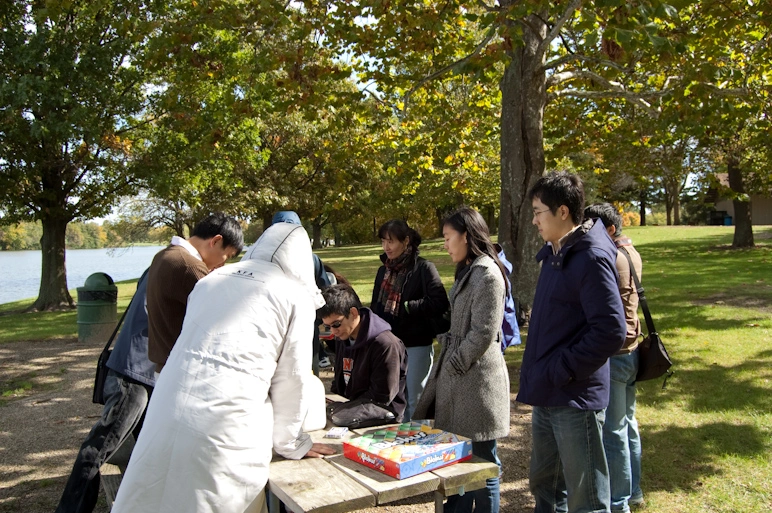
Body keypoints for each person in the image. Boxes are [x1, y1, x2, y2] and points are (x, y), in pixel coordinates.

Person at [111, 222, 336, 513]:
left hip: (167, 404)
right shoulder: (294, 296)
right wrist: (292, 443)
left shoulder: (211, 281)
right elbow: (291, 379)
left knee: (155, 495)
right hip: (227, 419)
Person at [517, 172, 626, 513]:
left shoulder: (590, 257)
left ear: (562, 212)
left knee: (586, 498)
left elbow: (610, 330)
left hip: (574, 396)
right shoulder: (555, 251)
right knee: (545, 486)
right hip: (548, 390)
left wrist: (562, 369)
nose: (534, 220)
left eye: (538, 212)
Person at [413, 207, 511, 513]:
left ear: (466, 235)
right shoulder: (470, 270)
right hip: (462, 383)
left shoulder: (488, 274)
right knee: (459, 462)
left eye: (447, 237)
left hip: (478, 386)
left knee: (483, 465)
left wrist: (454, 362)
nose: (445, 244)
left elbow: (483, 332)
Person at [55, 271, 155, 513]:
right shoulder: (178, 266)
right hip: (134, 374)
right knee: (100, 445)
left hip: (141, 372)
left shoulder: (158, 264)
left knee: (148, 445)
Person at [585, 203, 645, 512]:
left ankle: (620, 499)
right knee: (627, 424)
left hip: (617, 354)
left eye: (592, 228)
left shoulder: (613, 257)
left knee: (614, 431)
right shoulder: (630, 251)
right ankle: (633, 491)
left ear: (609, 229)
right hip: (630, 350)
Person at [371, 219, 450, 421]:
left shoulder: (424, 268)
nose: (386, 247)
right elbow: (375, 307)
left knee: (414, 399)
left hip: (416, 344)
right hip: (390, 346)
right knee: (394, 399)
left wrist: (408, 306)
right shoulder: (384, 270)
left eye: (391, 242)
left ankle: (418, 444)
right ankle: (399, 442)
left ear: (406, 241)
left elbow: (439, 302)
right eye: (383, 242)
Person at [146, 212, 244, 374]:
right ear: (216, 241)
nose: (223, 263)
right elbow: (221, 318)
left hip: (164, 366)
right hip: (183, 370)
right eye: (227, 255)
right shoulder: (190, 266)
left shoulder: (163, 255)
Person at [320, 284, 408, 422]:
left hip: (380, 422)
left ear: (354, 313)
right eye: (327, 326)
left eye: (336, 324)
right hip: (351, 412)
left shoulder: (386, 344)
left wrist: (344, 410)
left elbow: (381, 397)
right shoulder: (343, 336)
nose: (333, 331)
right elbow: (339, 382)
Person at [271, 211, 333, 371]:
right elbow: (325, 289)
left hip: (275, 323)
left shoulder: (262, 258)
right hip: (303, 322)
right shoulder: (311, 258)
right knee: (306, 370)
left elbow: (325, 291)